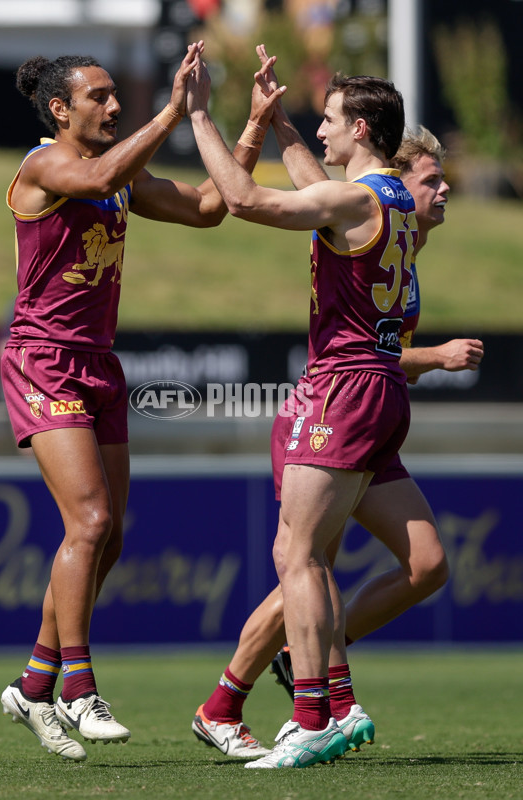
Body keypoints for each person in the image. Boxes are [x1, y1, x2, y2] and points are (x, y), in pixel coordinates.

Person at [0, 43, 277, 762]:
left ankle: (33, 685)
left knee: (107, 537)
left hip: (96, 367)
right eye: (99, 97)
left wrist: (242, 127)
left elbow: (213, 206)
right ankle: (77, 688)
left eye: (116, 94)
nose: (114, 106)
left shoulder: (120, 177)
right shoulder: (45, 166)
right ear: (61, 110)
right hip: (43, 362)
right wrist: (172, 112)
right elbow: (95, 174)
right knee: (88, 520)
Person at [187, 50, 418, 769]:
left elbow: (244, 201)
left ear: (362, 126)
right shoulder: (395, 197)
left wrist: (201, 116)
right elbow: (320, 190)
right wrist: (282, 123)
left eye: (328, 120)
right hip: (379, 388)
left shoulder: (358, 200)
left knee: (300, 557)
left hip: (342, 390)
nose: (322, 131)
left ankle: (314, 713)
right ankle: (319, 706)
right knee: (316, 557)